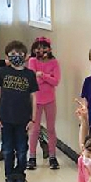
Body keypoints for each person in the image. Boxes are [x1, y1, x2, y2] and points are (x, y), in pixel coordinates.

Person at [0, 41, 38, 182]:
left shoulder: (30, 74)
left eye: (19, 54)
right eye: (12, 54)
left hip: (23, 120)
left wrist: (33, 119)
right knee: (7, 148)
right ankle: (9, 176)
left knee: (21, 149)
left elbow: (33, 98)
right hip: (5, 118)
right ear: (7, 57)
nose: (16, 57)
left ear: (25, 56)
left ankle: (20, 175)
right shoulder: (2, 72)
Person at [27, 36, 61, 170]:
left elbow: (56, 81)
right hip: (36, 100)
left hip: (50, 100)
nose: (41, 50)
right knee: (34, 129)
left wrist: (42, 75)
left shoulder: (54, 62)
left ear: (49, 49)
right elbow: (32, 80)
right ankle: (32, 156)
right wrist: (47, 77)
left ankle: (52, 156)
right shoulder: (32, 61)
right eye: (38, 48)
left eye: (44, 47)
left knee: (51, 128)